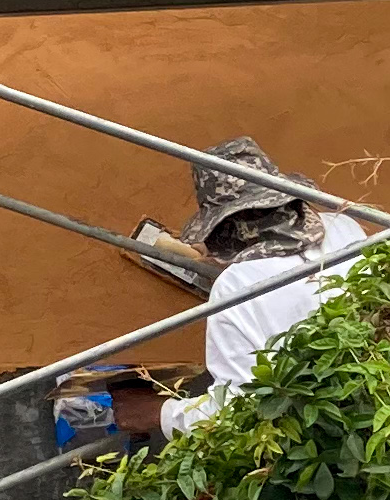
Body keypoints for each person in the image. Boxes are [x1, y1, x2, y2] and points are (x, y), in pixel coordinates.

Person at [109, 137, 368, 442]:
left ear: (224, 225)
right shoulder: (346, 228)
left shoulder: (236, 287)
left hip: (317, 437)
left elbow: (241, 413)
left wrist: (158, 412)